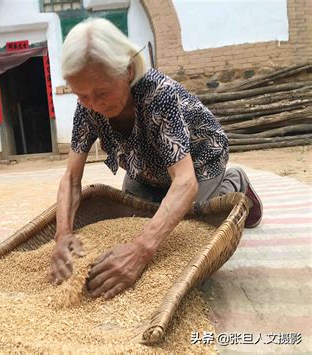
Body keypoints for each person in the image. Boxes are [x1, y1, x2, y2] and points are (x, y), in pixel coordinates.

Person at [49, 18, 262, 300]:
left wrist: (141, 250)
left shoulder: (158, 93)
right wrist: (62, 235)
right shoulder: (87, 105)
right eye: (82, 95)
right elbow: (72, 178)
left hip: (199, 161)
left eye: (101, 93)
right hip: (147, 168)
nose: (94, 104)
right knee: (135, 214)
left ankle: (236, 181)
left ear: (126, 70)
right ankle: (159, 197)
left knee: (192, 227)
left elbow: (185, 181)